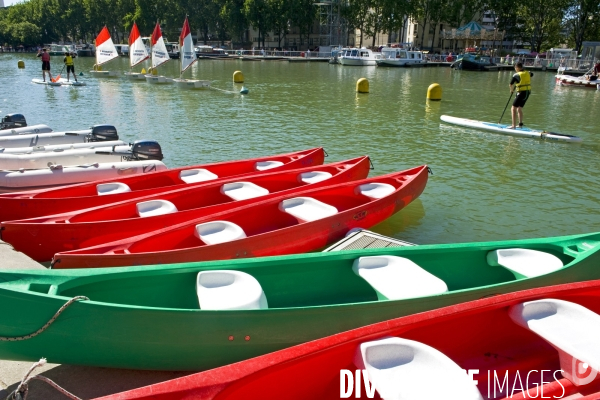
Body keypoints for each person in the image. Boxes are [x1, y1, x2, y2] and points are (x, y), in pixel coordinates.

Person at [509, 62, 533, 129]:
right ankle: (520, 124)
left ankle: (513, 126)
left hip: (521, 93)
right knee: (519, 108)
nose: (515, 69)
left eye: (515, 68)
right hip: (527, 92)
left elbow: (510, 84)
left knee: (513, 108)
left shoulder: (516, 75)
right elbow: (532, 74)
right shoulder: (528, 72)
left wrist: (511, 90)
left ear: (517, 67)